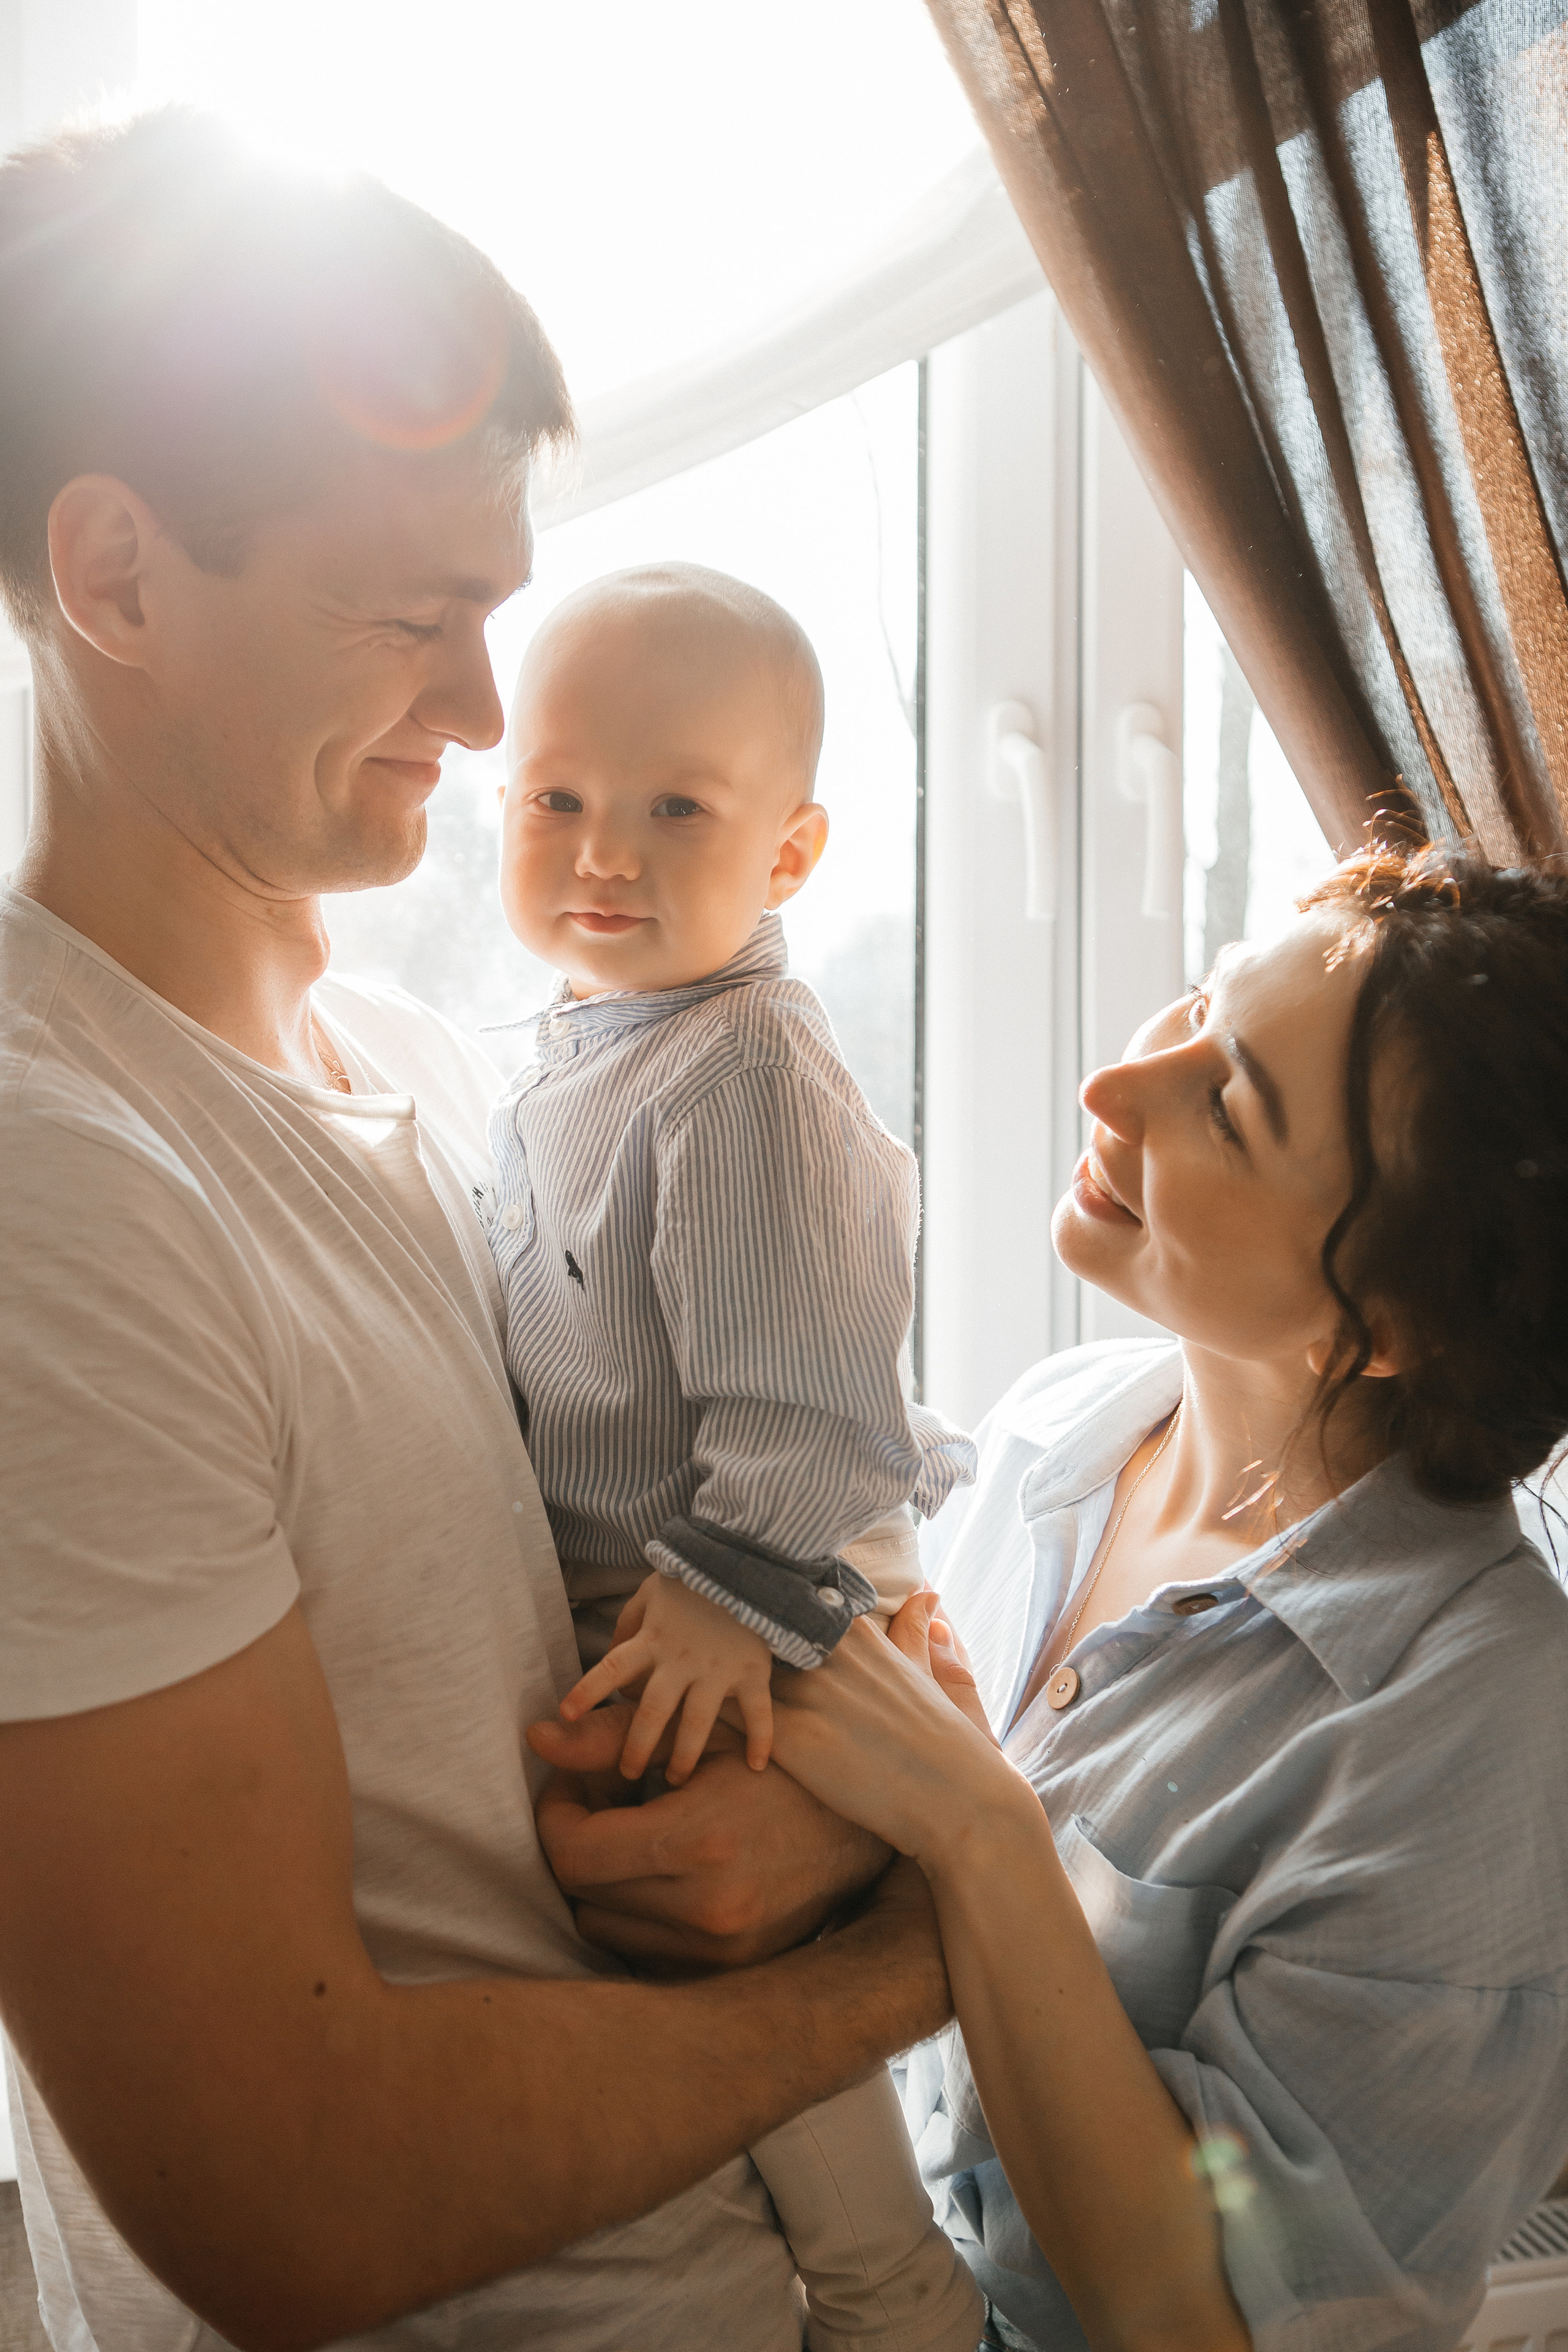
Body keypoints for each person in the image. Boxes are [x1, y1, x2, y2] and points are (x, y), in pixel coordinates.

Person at [0, 108, 954, 2352]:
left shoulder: (447, 1080)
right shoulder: (56, 1203)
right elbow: (290, 2197)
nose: (480, 711)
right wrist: (940, 1930)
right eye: (409, 616)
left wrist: (832, 1812)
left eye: (492, 614)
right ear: (117, 578)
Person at [769, 846, 1568, 2352]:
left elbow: (1200, 2325)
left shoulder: (1479, 1723)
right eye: (1196, 1004)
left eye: (1230, 1108)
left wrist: (976, 1829)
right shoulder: (1052, 1436)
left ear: (1387, 1320)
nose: (1116, 1091)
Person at [482, 561, 982, 2350]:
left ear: (790, 853)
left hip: (759, 1566)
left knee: (747, 1964)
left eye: (674, 808)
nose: (602, 851)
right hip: (677, 1567)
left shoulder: (742, 1069)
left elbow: (806, 1394)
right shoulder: (583, 1045)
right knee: (672, 1944)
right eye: (558, 799)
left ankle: (893, 2290)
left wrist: (724, 1602)